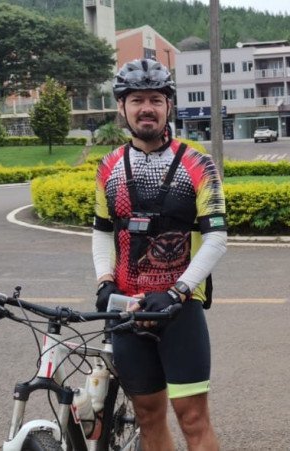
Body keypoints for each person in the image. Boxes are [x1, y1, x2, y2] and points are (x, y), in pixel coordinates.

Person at [92, 58, 227, 451]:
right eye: (136, 99)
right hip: (127, 308)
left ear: (170, 106)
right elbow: (102, 233)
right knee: (148, 416)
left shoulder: (197, 164)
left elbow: (217, 239)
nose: (146, 108)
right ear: (122, 106)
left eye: (155, 99)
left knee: (193, 418)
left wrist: (177, 292)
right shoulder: (109, 167)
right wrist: (105, 281)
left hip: (178, 309)